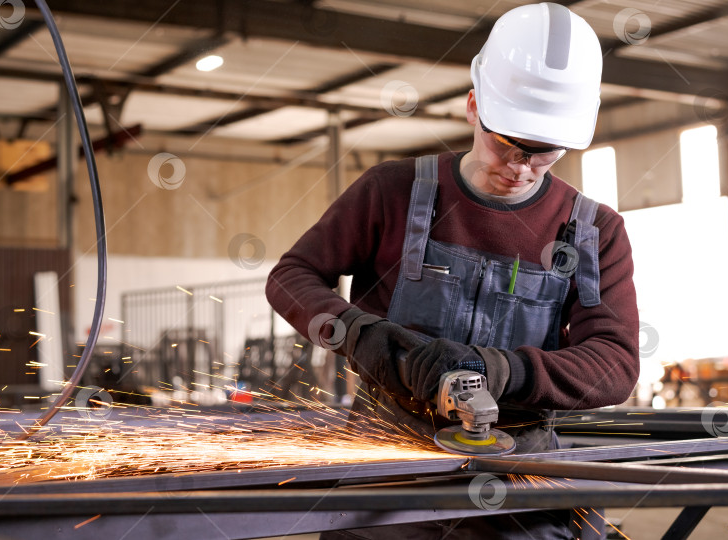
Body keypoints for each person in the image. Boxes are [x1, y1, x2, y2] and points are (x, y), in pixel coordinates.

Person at [266, 2, 639, 538]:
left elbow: (615, 363)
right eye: (506, 144)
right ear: (472, 107)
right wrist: (356, 333)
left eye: (543, 154)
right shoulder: (392, 191)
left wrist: (504, 371)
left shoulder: (593, 230)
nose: (519, 168)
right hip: (387, 480)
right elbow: (291, 275)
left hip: (517, 485)